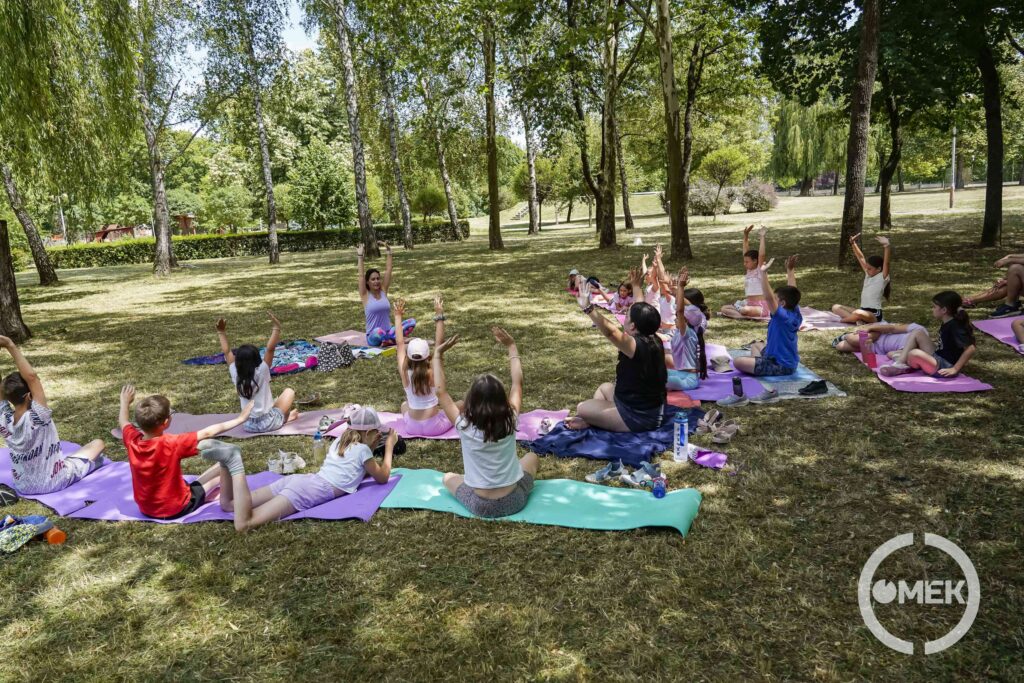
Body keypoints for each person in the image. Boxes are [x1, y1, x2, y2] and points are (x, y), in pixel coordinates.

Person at [202, 407, 398, 532]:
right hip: (306, 491)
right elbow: (382, 477)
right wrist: (388, 447)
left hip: (301, 481)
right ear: (371, 433)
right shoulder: (364, 451)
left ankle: (225, 464)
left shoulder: (339, 441)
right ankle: (233, 461)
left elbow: (359, 465)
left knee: (229, 505)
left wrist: (372, 445)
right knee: (244, 525)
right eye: (376, 434)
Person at [435, 327, 539, 519]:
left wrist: (437, 355)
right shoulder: (511, 419)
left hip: (480, 506)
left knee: (447, 477)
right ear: (501, 400)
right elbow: (517, 384)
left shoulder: (464, 426)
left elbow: (440, 391)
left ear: (471, 402)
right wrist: (511, 346)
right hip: (515, 500)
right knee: (532, 457)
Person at [118, 385, 252, 519]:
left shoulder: (132, 440)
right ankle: (224, 498)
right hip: (176, 508)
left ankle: (208, 491)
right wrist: (240, 419)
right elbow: (207, 432)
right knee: (222, 473)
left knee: (210, 475)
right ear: (165, 422)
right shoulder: (171, 443)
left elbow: (123, 421)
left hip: (146, 509)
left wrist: (124, 402)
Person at [566, 267, 668, 432]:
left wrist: (589, 308)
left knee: (582, 407)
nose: (625, 316)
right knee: (604, 388)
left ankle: (592, 420)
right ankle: (596, 419)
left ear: (633, 326)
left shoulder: (636, 345)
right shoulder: (652, 337)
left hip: (638, 417)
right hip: (641, 406)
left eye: (627, 316)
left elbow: (611, 332)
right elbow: (639, 305)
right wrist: (636, 285)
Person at [0, 336, 105, 495]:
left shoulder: (3, 419)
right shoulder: (38, 417)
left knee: (76, 457)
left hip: (22, 486)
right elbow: (33, 378)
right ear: (29, 396)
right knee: (98, 444)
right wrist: (10, 345)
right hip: (54, 482)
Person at [720, 256, 801, 405]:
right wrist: (790, 270)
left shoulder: (782, 316)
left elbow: (769, 298)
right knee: (756, 345)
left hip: (781, 366)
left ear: (782, 303)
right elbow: (792, 291)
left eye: (776, 300)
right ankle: (760, 363)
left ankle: (760, 368)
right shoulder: (795, 311)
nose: (772, 302)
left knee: (738, 362)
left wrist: (763, 274)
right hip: (783, 360)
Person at [216, 313, 298, 434]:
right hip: (270, 422)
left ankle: (283, 418)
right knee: (289, 392)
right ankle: (284, 419)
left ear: (238, 360)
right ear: (256, 359)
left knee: (275, 402)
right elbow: (270, 349)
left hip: (248, 425)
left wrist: (221, 332)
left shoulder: (235, 373)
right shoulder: (262, 371)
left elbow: (227, 352)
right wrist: (276, 328)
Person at [393, 294, 461, 437]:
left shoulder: (404, 370)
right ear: (427, 356)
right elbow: (439, 345)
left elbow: (399, 344)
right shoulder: (433, 371)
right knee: (462, 404)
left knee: (404, 405)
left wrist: (398, 316)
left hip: (412, 428)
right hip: (434, 427)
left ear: (409, 355)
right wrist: (439, 314)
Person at [880, 291, 977, 377]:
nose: (932, 309)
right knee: (915, 335)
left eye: (934, 307)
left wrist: (955, 369)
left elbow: (970, 348)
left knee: (913, 353)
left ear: (944, 310)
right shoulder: (947, 322)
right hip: (938, 357)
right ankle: (903, 361)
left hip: (944, 366)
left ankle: (902, 367)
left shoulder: (955, 326)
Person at [357, 241, 415, 346]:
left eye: (378, 278)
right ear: (368, 282)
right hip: (373, 336)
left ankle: (390, 340)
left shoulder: (383, 291)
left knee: (411, 322)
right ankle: (396, 339)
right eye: (373, 279)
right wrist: (360, 255)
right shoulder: (365, 295)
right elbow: (361, 275)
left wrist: (389, 253)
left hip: (389, 331)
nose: (376, 281)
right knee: (379, 331)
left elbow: (388, 270)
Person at [831, 234, 891, 324]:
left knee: (857, 313)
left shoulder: (883, 277)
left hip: (874, 314)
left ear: (878, 269)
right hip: (863, 311)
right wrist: (853, 243)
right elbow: (861, 257)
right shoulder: (868, 274)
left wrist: (887, 246)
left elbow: (887, 263)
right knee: (835, 307)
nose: (867, 269)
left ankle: (846, 320)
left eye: (870, 268)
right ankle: (857, 320)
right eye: (867, 267)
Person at [666, 268, 709, 392]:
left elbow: (680, 310)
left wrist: (680, 287)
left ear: (684, 320)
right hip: (681, 374)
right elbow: (679, 308)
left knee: (652, 379)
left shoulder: (688, 332)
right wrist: (677, 289)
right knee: (651, 372)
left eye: (677, 318)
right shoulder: (687, 330)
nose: (675, 319)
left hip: (688, 380)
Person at [720, 225, 770, 319]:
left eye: (747, 262)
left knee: (744, 310)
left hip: (761, 306)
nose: (744, 264)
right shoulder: (749, 271)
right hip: (747, 303)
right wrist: (746, 235)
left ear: (755, 261)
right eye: (744, 261)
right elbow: (745, 251)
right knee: (723, 308)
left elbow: (762, 255)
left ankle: (741, 312)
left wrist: (762, 237)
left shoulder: (760, 270)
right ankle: (742, 316)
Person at [832, 321, 928, 357]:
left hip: (877, 349)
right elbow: (893, 328)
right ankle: (846, 335)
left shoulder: (910, 352)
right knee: (856, 340)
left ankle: (846, 338)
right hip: (879, 334)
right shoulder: (920, 330)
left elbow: (891, 354)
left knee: (840, 346)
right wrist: (870, 328)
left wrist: (896, 355)